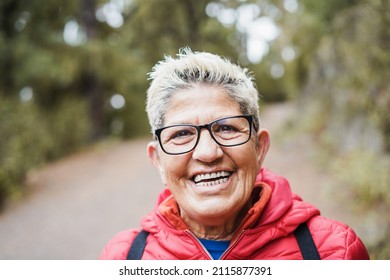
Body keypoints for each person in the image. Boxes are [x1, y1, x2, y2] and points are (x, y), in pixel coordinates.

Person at [99, 47, 369, 260]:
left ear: (259, 148)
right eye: (181, 134)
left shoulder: (334, 252)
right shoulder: (122, 259)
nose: (207, 153)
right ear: (157, 160)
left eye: (227, 128)